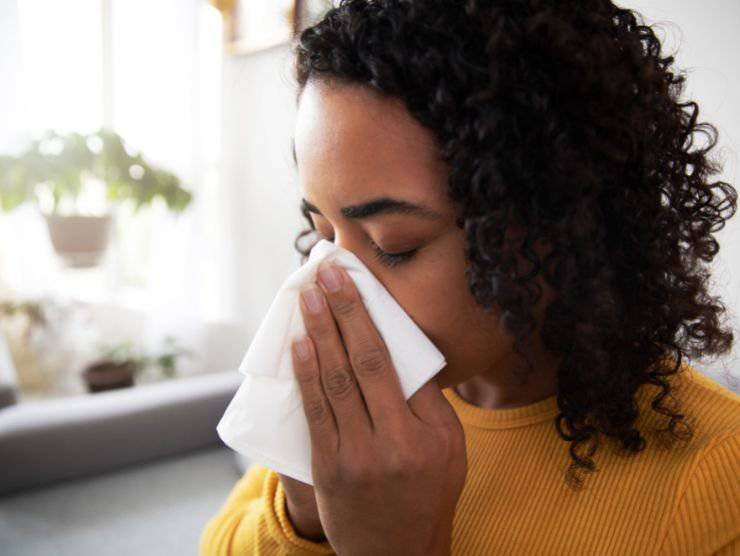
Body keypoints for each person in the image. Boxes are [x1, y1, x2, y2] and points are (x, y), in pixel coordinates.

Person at [200, 0, 740, 553]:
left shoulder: (716, 483)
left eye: (395, 246)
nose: (331, 283)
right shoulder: (366, 401)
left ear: (557, 222)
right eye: (322, 232)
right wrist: (306, 514)